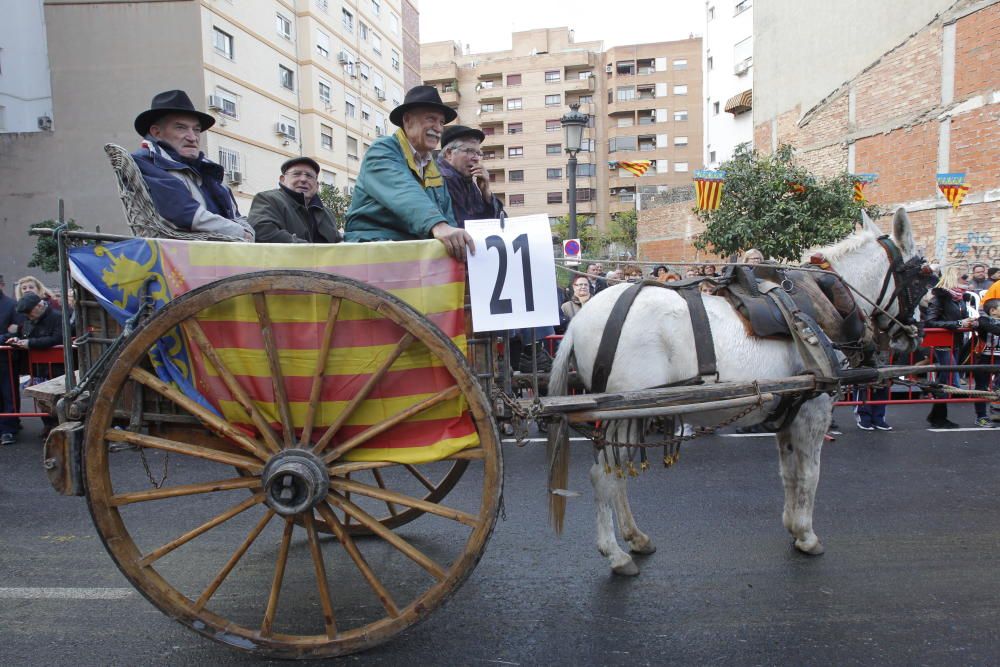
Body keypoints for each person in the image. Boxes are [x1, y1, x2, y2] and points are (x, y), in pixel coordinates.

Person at [345, 85, 474, 261]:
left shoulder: (433, 167)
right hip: (373, 252)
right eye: (431, 119)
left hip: (414, 256)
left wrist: (457, 243)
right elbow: (403, 190)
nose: (438, 128)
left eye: (441, 122)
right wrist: (438, 225)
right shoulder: (383, 150)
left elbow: (448, 218)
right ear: (407, 120)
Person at [132, 90, 254, 240]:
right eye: (181, 128)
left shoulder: (206, 170)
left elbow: (236, 215)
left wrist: (248, 231)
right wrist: (240, 233)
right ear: (156, 133)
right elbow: (183, 213)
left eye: (196, 129)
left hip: (219, 253)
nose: (192, 137)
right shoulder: (146, 162)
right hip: (180, 257)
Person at [922, 267, 978, 429]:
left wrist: (969, 321)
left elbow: (958, 319)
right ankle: (938, 417)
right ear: (954, 278)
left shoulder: (959, 298)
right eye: (964, 277)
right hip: (943, 343)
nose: (968, 279)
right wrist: (959, 324)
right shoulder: (940, 297)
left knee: (944, 378)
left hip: (955, 342)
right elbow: (930, 322)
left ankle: (937, 416)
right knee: (947, 378)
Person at [248, 157, 341, 243]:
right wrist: (310, 250)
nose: (303, 179)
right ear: (282, 180)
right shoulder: (268, 200)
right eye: (296, 174)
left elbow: (338, 243)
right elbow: (263, 232)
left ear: (317, 185)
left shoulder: (327, 213)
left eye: (309, 176)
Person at [435, 125, 504, 227]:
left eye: (478, 153)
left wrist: (486, 193)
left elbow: (500, 224)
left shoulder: (469, 182)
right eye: (469, 151)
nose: (476, 158)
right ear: (449, 153)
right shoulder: (440, 179)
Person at [0, 275, 21, 445]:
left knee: (9, 394)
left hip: (5, 358)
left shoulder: (11, 305)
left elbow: (16, 331)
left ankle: (9, 429)